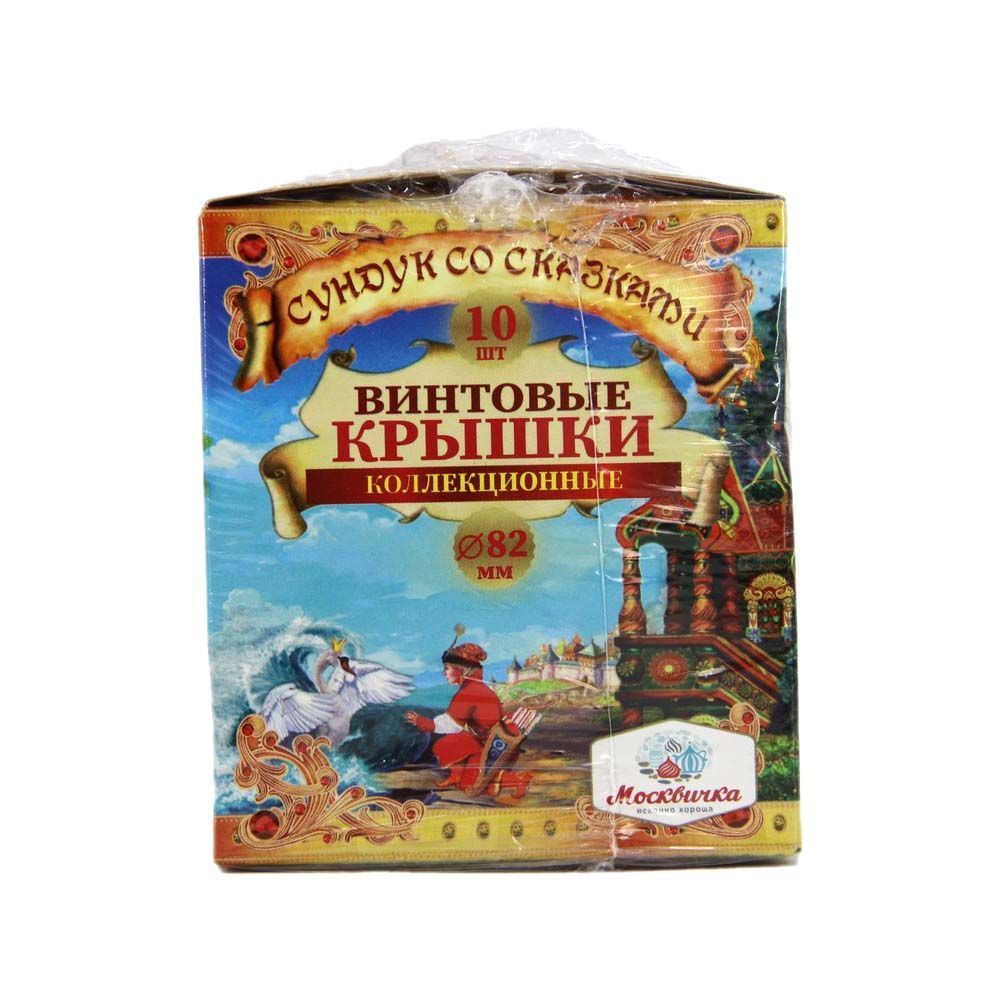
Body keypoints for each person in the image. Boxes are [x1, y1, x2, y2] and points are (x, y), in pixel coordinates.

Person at [405, 642, 502, 791]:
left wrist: (423, 722)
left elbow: (450, 725)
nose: (444, 673)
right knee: (449, 743)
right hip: (489, 739)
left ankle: (514, 779)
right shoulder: (476, 688)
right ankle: (456, 775)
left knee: (444, 746)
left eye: (447, 668)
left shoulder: (469, 692)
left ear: (460, 670)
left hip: (486, 745)